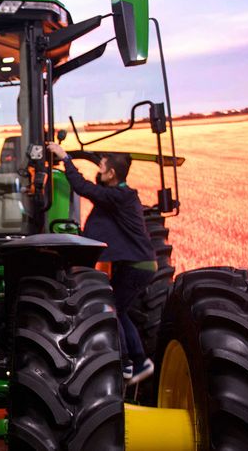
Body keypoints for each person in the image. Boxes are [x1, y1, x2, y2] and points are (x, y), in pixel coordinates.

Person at [48, 144, 156, 384]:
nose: (100, 170)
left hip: (137, 267)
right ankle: (138, 362)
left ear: (112, 175)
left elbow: (83, 187)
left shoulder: (120, 196)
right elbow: (95, 185)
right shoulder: (117, 196)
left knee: (112, 310)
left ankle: (127, 363)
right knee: (120, 310)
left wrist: (65, 158)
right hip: (136, 265)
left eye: (103, 167)